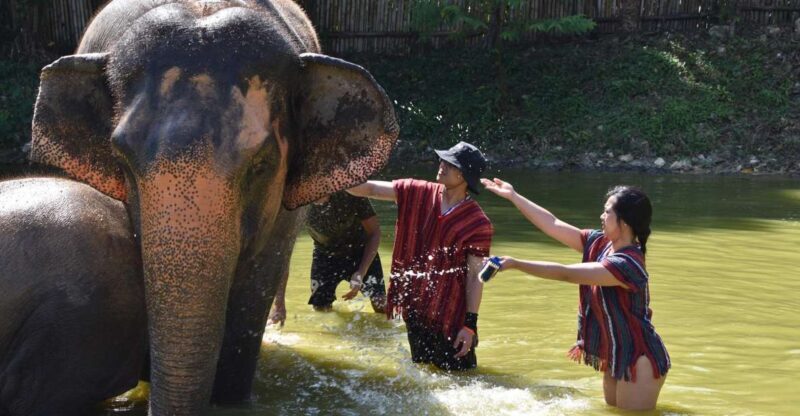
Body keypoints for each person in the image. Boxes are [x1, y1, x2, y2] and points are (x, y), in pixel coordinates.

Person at [481, 178, 670, 410]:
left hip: (640, 358)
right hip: (616, 354)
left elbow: (566, 274)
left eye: (607, 212)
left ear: (625, 221)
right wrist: (514, 196)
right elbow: (552, 223)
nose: (601, 216)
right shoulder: (600, 244)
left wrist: (516, 263)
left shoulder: (628, 263)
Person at [347, 141, 493, 371]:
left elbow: (476, 276)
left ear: (464, 175)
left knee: (460, 379)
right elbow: (370, 189)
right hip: (414, 307)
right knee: (423, 375)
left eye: (450, 164)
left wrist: (470, 325)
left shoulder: (477, 222)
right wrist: (339, 172)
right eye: (442, 160)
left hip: (451, 316)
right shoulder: (418, 191)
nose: (442, 165)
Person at [268, 191, 386, 325]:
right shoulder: (295, 204)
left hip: (360, 251)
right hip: (324, 255)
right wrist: (278, 305)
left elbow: (374, 233)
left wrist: (361, 272)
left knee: (381, 305)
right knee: (320, 309)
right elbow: (283, 255)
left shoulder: (351, 192)